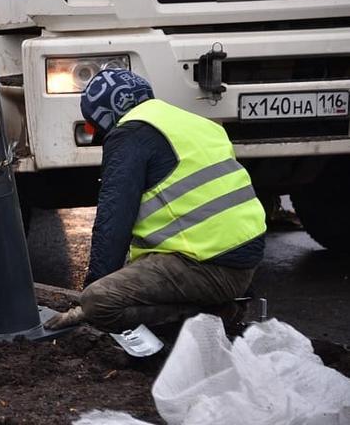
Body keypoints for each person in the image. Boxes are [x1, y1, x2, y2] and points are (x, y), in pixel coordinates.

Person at [45, 69, 266, 333]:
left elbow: (113, 220)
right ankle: (218, 305)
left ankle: (213, 314)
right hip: (241, 263)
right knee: (124, 281)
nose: (97, 134)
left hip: (207, 265)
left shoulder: (129, 134)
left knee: (100, 302)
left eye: (94, 125)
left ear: (106, 114)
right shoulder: (192, 122)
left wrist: (88, 296)